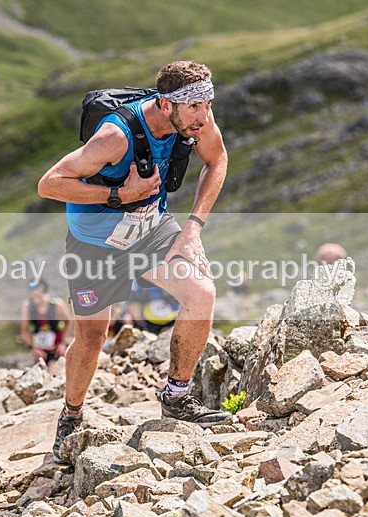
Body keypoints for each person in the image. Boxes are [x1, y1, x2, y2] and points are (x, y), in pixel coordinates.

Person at [37, 60, 232, 461]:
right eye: (195, 107)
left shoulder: (196, 122)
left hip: (149, 229)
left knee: (201, 294)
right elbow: (50, 184)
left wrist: (193, 228)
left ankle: (176, 397)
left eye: (208, 105)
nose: (203, 117)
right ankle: (71, 414)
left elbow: (218, 160)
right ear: (165, 104)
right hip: (95, 244)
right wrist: (118, 196)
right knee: (92, 338)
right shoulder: (114, 136)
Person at [20, 279, 73, 368]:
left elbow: (69, 321)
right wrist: (33, 348)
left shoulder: (57, 303)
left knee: (54, 368)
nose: (34, 292)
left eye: (36, 289)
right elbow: (24, 330)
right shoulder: (28, 305)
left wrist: (63, 343)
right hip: (39, 349)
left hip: (56, 347)